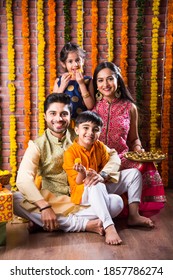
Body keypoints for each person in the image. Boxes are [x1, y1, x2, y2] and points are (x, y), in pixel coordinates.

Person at [13, 93, 113, 235]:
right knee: (13, 199)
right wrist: (44, 207)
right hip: (50, 201)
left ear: (70, 116)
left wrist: (103, 174)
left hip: (79, 200)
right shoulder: (37, 145)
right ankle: (83, 225)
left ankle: (43, 221)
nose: (58, 119)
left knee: (115, 204)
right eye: (53, 113)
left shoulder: (81, 135)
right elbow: (23, 180)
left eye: (64, 114)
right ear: (45, 117)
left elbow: (113, 156)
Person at [63, 111, 154, 245]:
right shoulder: (70, 153)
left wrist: (102, 175)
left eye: (96, 129)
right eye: (86, 128)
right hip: (82, 193)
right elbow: (78, 181)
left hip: (100, 188)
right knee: (95, 182)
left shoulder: (100, 146)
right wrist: (83, 173)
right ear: (76, 129)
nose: (91, 132)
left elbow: (112, 161)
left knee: (131, 179)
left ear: (100, 132)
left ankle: (134, 215)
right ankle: (109, 226)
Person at [92, 61, 166, 217]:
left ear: (118, 80)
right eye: (100, 80)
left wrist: (138, 149)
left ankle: (134, 213)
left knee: (145, 163)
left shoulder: (129, 107)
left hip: (121, 158)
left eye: (110, 78)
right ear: (96, 84)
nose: (106, 84)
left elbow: (134, 139)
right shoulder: (93, 106)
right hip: (98, 159)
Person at [53, 42, 95, 120]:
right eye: (70, 61)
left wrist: (81, 84)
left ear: (83, 61)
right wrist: (62, 86)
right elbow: (53, 104)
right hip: (64, 122)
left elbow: (90, 106)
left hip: (83, 123)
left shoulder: (88, 81)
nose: (75, 64)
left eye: (78, 60)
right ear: (63, 64)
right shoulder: (59, 81)